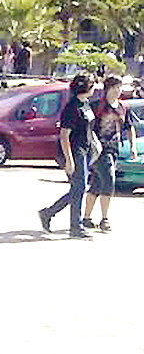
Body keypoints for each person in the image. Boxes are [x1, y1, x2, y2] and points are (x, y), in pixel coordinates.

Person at [38, 74, 97, 239]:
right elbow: (64, 136)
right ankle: (75, 226)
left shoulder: (85, 104)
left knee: (78, 189)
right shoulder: (72, 108)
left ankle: (48, 213)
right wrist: (69, 160)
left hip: (86, 149)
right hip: (75, 150)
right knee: (79, 188)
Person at [83, 75, 135, 234]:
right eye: (115, 87)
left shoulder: (122, 107)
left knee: (97, 183)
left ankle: (86, 218)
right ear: (108, 88)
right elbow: (87, 126)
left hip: (114, 149)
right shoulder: (97, 105)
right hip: (99, 150)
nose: (118, 90)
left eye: (120, 87)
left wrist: (132, 146)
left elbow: (129, 127)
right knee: (109, 180)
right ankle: (104, 219)